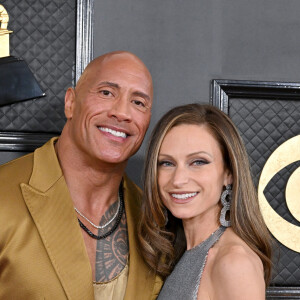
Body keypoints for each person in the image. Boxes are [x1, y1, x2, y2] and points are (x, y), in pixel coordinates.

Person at [0, 51, 163, 300]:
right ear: (71, 103)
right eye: (107, 92)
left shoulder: (153, 221)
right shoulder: (4, 193)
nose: (122, 112)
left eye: (138, 102)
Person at [138, 103, 272, 300]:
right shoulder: (182, 250)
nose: (178, 179)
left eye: (198, 162)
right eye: (167, 163)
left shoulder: (234, 262)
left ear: (229, 173)